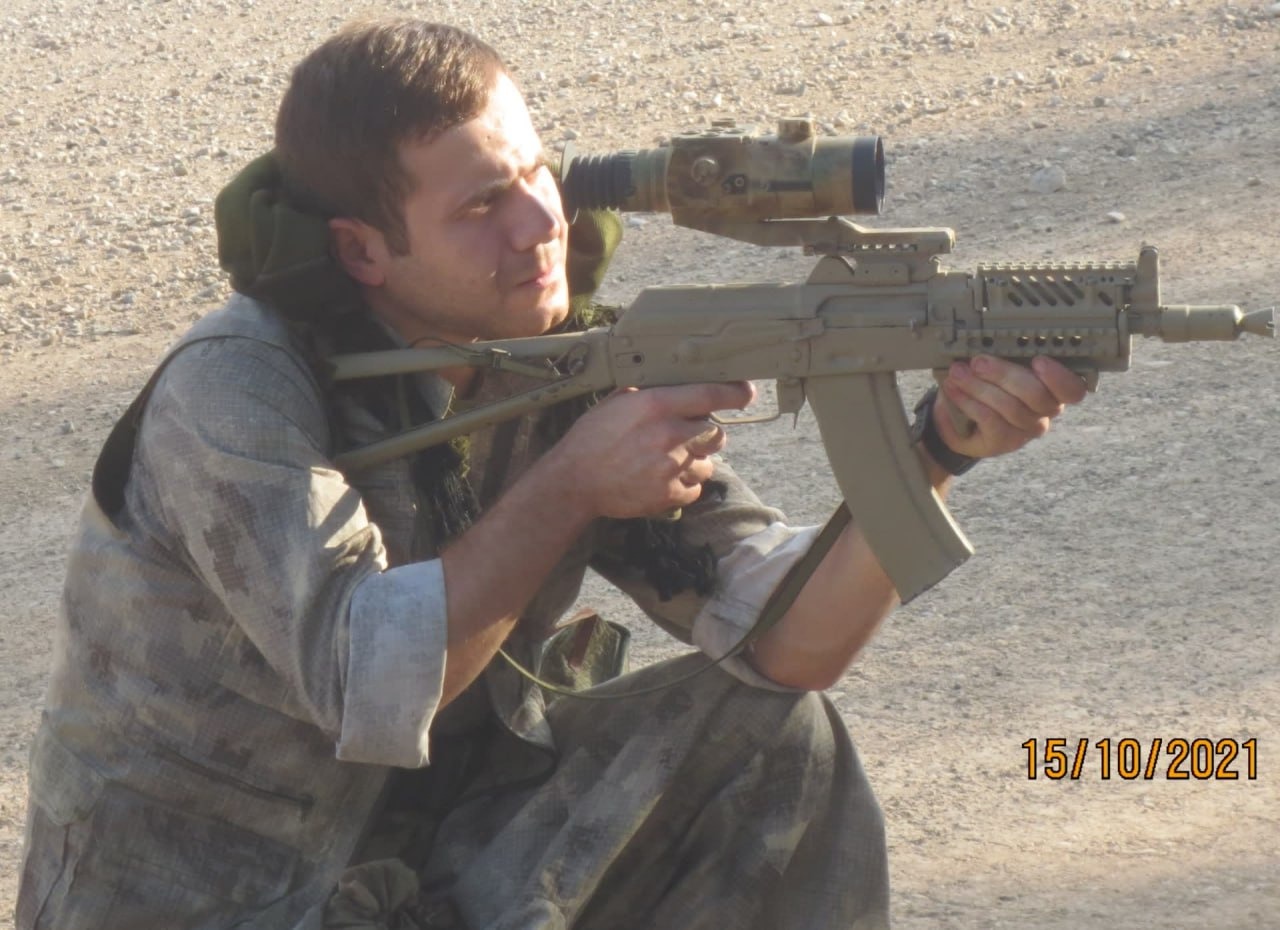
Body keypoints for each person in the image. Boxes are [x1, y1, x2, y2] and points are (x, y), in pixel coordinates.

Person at [17, 18, 1087, 930]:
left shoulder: (563, 358)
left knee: (772, 739)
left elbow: (789, 643)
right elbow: (370, 686)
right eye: (480, 206)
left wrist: (936, 451)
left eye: (539, 174)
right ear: (361, 251)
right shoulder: (237, 388)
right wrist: (572, 484)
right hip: (202, 898)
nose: (541, 226)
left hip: (436, 853)